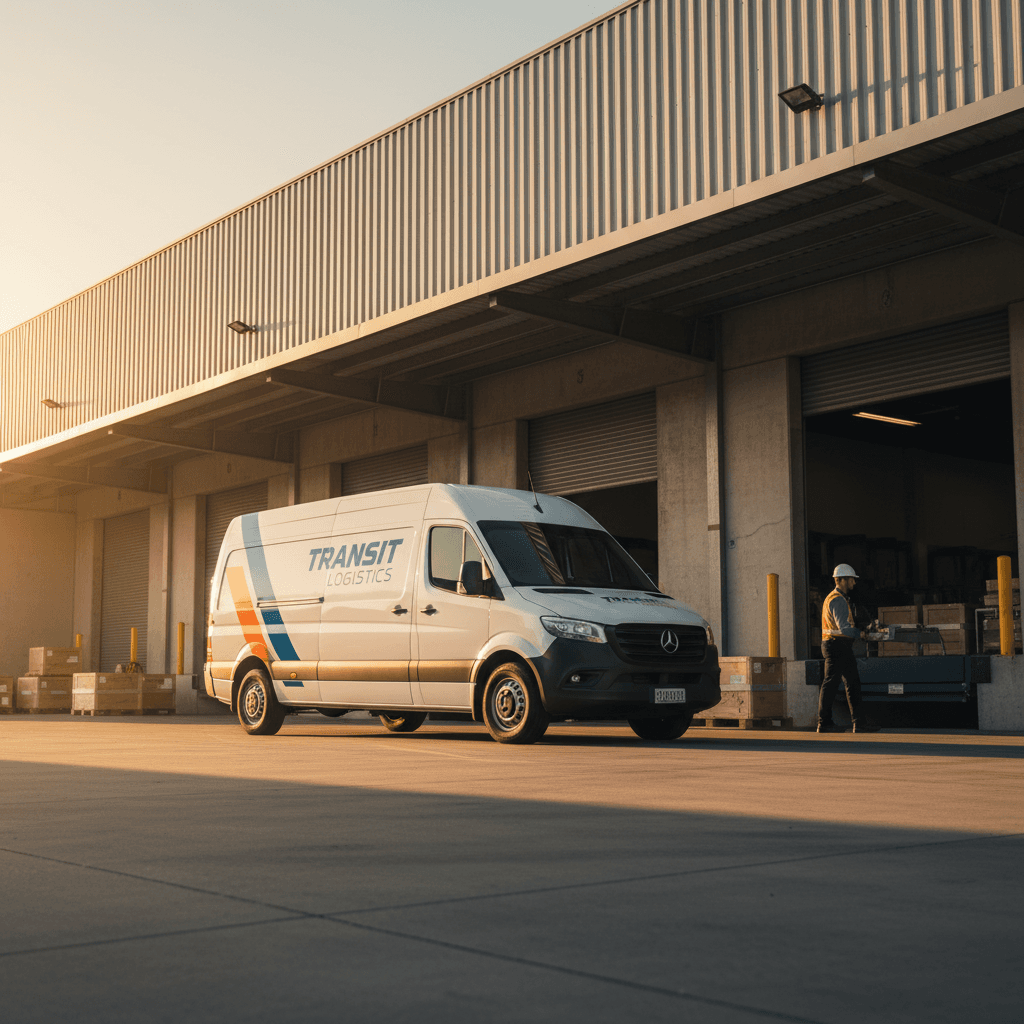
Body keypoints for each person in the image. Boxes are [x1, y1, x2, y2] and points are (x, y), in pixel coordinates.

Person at [818, 564, 880, 734]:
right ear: (842, 580)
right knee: (833, 684)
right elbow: (844, 628)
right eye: (851, 579)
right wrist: (861, 634)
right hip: (837, 645)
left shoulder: (837, 598)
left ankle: (857, 723)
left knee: (851, 683)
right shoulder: (837, 599)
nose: (854, 582)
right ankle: (825, 723)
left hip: (838, 645)